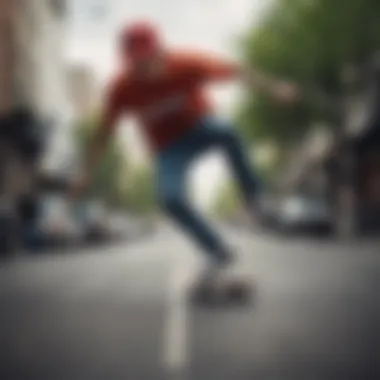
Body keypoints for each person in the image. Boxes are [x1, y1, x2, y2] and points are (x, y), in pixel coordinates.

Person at [70, 20, 300, 287]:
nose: (142, 71)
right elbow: (102, 134)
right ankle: (217, 250)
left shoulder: (187, 63)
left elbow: (237, 72)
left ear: (160, 53)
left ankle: (254, 199)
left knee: (228, 131)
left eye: (147, 62)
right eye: (135, 65)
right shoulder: (121, 89)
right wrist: (85, 173)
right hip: (169, 148)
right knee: (170, 198)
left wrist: (275, 88)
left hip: (200, 127)